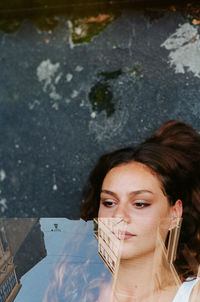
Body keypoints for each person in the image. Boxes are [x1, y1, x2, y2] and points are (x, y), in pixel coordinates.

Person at [81, 120, 200, 302]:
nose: (119, 216)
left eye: (140, 204)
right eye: (109, 202)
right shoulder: (71, 289)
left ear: (174, 213)